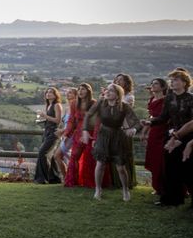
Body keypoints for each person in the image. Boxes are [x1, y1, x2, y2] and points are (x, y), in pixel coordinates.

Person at [82, 83, 140, 201]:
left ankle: (125, 190)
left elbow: (136, 122)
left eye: (111, 91)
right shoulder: (101, 103)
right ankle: (98, 190)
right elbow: (88, 115)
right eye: (107, 90)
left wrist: (133, 129)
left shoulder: (124, 106)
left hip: (118, 137)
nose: (107, 92)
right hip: (103, 135)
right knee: (100, 164)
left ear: (118, 94)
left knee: (120, 167)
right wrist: (85, 130)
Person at [150, 68, 193, 207]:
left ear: (185, 82)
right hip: (171, 136)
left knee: (187, 169)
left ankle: (186, 198)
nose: (173, 82)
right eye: (172, 80)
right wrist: (151, 122)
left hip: (187, 137)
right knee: (169, 169)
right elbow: (164, 117)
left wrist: (181, 135)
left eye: (176, 80)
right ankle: (170, 199)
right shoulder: (169, 98)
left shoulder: (190, 99)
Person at [64, 83, 97, 187]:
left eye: (83, 89)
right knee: (74, 156)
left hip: (90, 133)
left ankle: (89, 182)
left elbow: (97, 121)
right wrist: (67, 133)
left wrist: (95, 135)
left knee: (89, 158)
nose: (80, 91)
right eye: (79, 89)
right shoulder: (74, 103)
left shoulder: (94, 103)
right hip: (78, 133)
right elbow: (71, 120)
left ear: (88, 91)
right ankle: (72, 181)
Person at [139, 78, 169, 195]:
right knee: (154, 160)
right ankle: (157, 187)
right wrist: (144, 132)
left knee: (163, 161)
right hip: (153, 132)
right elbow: (151, 118)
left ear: (162, 87)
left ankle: (168, 187)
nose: (153, 85)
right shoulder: (152, 99)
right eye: (152, 83)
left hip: (164, 131)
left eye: (156, 83)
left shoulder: (166, 100)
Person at [34, 87, 63, 184]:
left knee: (42, 153)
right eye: (47, 92)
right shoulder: (49, 105)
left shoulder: (57, 105)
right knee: (49, 155)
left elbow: (58, 121)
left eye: (51, 92)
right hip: (47, 132)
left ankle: (42, 179)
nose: (48, 94)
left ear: (56, 95)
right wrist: (42, 120)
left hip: (53, 133)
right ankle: (54, 178)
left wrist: (45, 116)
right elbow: (50, 119)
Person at [113, 73, 137, 188]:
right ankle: (116, 182)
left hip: (124, 129)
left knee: (124, 155)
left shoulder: (129, 97)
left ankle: (128, 183)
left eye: (120, 80)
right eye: (116, 80)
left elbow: (122, 110)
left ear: (126, 83)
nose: (117, 82)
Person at [54, 87, 77, 179]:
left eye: (70, 93)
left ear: (76, 95)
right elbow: (67, 123)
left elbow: (75, 124)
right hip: (65, 135)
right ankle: (69, 177)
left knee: (57, 155)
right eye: (67, 92)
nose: (68, 94)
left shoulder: (76, 107)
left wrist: (63, 131)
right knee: (66, 157)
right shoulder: (67, 108)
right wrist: (61, 131)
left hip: (72, 135)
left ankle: (67, 178)